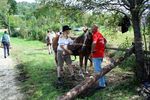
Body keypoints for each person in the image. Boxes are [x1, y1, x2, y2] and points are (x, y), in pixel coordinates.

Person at [91, 24, 107, 89]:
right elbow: (105, 41)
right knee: (100, 68)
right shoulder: (100, 34)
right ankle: (104, 81)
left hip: (97, 55)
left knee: (98, 70)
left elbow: (94, 43)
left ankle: (102, 85)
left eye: (92, 28)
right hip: (101, 54)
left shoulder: (95, 35)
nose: (91, 29)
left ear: (95, 29)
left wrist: (92, 51)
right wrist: (102, 47)